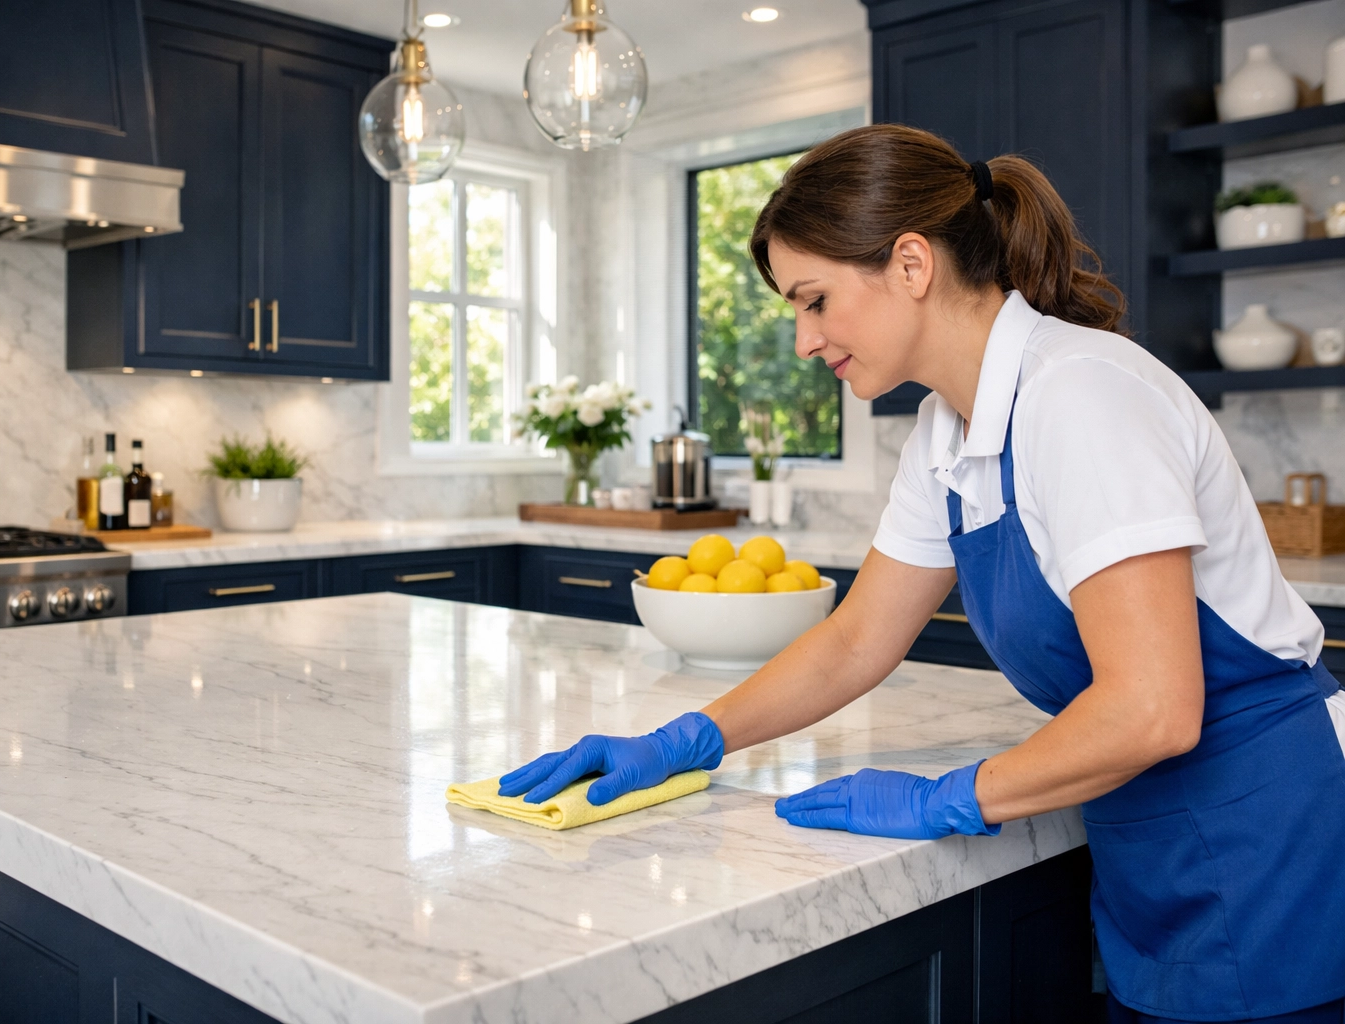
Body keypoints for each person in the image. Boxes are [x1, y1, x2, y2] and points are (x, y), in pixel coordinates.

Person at [497, 124, 1345, 1024]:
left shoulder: (1081, 396)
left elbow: (1152, 708)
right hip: (1151, 836)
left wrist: (951, 798)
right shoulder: (947, 432)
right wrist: (686, 740)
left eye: (814, 300)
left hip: (1268, 845)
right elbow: (858, 640)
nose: (801, 341)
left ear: (910, 264)